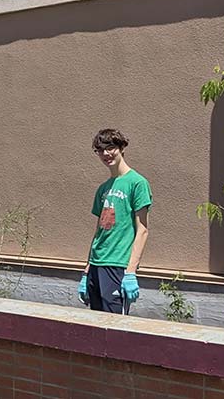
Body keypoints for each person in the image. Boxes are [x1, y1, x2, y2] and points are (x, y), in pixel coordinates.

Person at [78, 129, 152, 314]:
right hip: (96, 265)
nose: (105, 154)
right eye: (100, 150)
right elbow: (98, 232)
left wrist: (131, 272)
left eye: (110, 148)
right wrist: (86, 272)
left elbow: (142, 230)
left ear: (121, 148)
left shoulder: (137, 183)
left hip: (117, 265)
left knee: (115, 329)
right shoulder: (103, 188)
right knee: (94, 325)